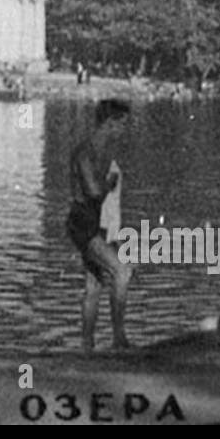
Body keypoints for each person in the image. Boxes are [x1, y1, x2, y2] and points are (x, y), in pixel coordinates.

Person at [67, 98, 133, 353]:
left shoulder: (103, 150)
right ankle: (119, 340)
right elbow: (94, 191)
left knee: (94, 284)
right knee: (122, 272)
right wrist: (111, 182)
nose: (124, 130)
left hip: (96, 222)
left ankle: (87, 347)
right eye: (122, 124)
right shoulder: (86, 151)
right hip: (82, 222)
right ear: (110, 123)